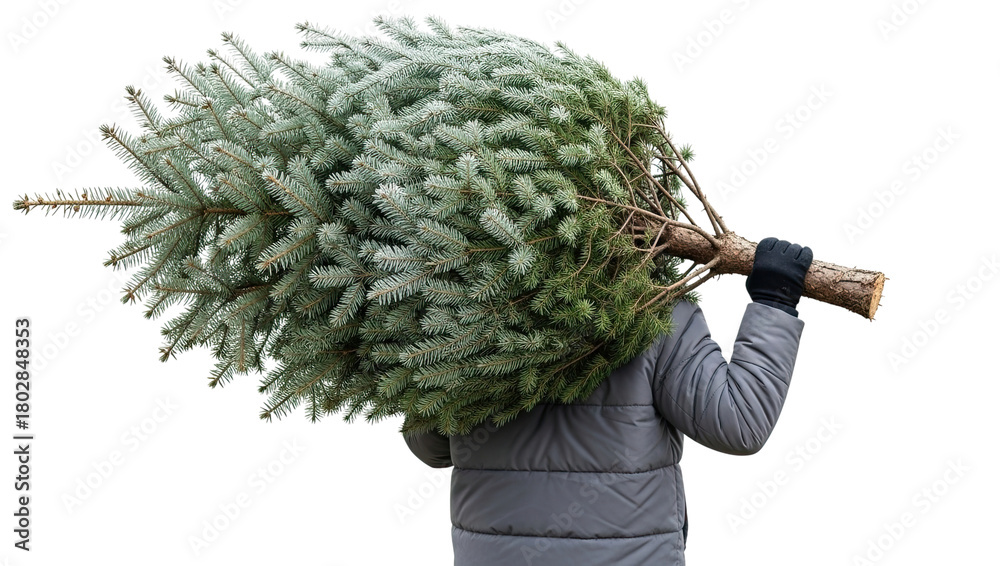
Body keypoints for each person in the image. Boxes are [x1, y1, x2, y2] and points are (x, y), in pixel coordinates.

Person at [403, 237, 814, 565]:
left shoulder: (461, 316)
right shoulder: (656, 314)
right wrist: (773, 301)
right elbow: (739, 423)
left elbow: (432, 447)